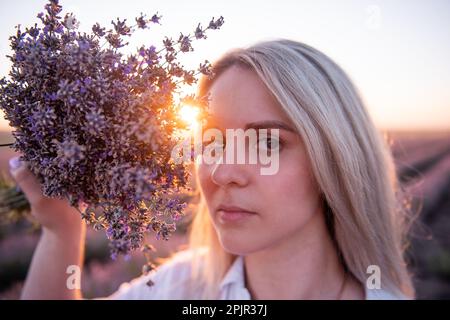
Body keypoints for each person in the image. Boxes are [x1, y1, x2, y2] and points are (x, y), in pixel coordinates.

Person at [11, 39, 414, 300]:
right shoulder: (183, 286)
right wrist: (61, 228)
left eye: (267, 143)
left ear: (337, 160)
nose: (222, 173)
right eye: (211, 142)